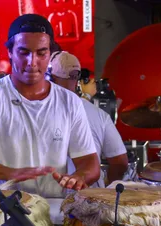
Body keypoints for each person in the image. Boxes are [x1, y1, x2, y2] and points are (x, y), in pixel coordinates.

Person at [0, 14, 100, 198]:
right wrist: (8, 173)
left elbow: (89, 162)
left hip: (50, 212)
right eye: (24, 52)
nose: (32, 62)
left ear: (50, 54)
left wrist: (79, 176)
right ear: (10, 52)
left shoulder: (69, 102)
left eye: (41, 53)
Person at [47, 51, 128, 186]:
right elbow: (120, 162)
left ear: (50, 78)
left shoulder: (38, 111)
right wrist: (108, 184)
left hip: (50, 196)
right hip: (90, 197)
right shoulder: (99, 115)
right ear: (77, 77)